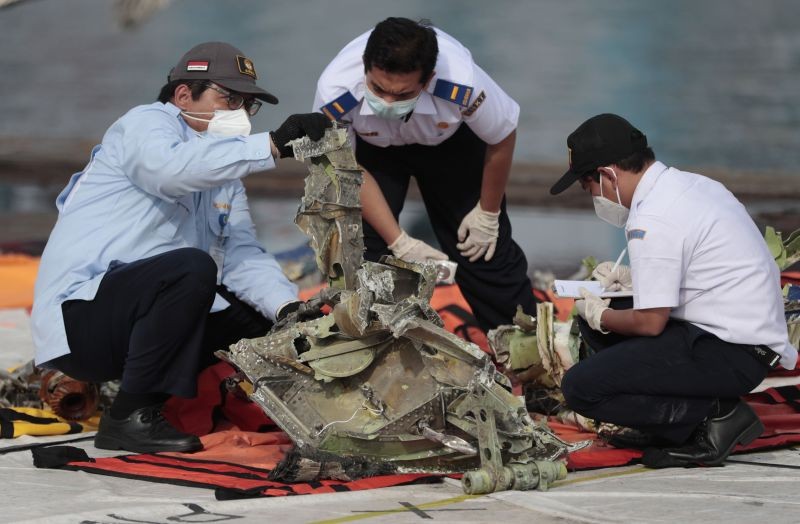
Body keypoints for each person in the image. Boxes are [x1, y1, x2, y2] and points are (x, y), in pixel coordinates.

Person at [31, 42, 331, 453]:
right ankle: (130, 416)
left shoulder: (224, 172)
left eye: (248, 104)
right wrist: (273, 145)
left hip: (136, 316)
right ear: (183, 95)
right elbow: (170, 173)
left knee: (260, 323)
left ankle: (291, 410)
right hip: (81, 320)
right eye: (230, 98)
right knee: (191, 270)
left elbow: (242, 256)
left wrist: (289, 310)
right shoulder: (144, 125)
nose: (240, 113)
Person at [549, 113, 798, 468]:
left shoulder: (651, 218)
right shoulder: (691, 185)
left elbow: (651, 323)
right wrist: (627, 287)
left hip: (732, 351)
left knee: (581, 388)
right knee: (603, 320)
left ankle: (713, 418)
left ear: (607, 174)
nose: (592, 196)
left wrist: (600, 314)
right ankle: (669, 421)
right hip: (744, 338)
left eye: (588, 186)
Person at [313, 17, 537, 332]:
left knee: (482, 248)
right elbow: (345, 168)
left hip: (449, 144)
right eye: (378, 88)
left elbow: (501, 136)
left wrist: (488, 213)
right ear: (366, 67)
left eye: (402, 93)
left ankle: (523, 350)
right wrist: (400, 240)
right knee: (362, 246)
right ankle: (375, 346)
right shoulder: (335, 90)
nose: (388, 101)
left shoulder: (462, 83)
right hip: (372, 149)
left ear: (428, 79)